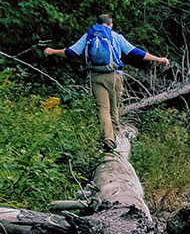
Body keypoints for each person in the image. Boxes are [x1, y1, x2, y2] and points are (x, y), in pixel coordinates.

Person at [44, 14, 170, 151]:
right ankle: (116, 137)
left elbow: (71, 52)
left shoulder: (88, 36)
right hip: (114, 76)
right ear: (111, 25)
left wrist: (52, 51)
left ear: (98, 23)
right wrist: (158, 59)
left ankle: (108, 139)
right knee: (114, 108)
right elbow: (135, 52)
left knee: (103, 109)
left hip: (95, 76)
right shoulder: (115, 36)